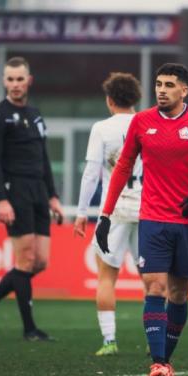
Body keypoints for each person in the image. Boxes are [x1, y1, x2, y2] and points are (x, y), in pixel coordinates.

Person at [95, 63, 188, 376]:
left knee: (179, 295)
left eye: (169, 85)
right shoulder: (142, 122)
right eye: (158, 84)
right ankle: (159, 364)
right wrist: (105, 215)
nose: (161, 90)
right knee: (155, 287)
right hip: (152, 218)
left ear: (184, 91)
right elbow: (122, 168)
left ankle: (166, 358)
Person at [0, 56, 64, 342]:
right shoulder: (0, 116)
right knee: (25, 262)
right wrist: (2, 199)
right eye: (9, 79)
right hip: (17, 191)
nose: (14, 84)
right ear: (3, 82)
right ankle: (29, 329)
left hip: (38, 191)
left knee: (41, 262)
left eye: (19, 79)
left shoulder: (35, 115)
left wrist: (53, 195)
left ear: (29, 81)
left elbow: (44, 157)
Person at [74, 72, 143, 356]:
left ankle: (109, 341)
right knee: (153, 279)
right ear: (135, 99)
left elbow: (91, 174)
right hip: (146, 208)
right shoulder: (148, 124)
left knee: (106, 277)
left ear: (109, 100)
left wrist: (81, 213)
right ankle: (158, 340)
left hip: (113, 210)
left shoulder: (102, 128)